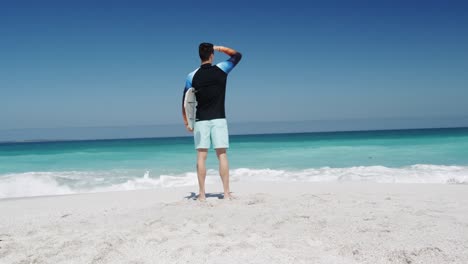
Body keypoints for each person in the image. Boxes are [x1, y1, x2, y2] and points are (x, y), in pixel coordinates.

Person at [182, 43, 242, 201]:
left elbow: (185, 102)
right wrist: (220, 48)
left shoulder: (192, 76)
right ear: (211, 55)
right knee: (221, 155)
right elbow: (237, 56)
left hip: (201, 120)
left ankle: (202, 194)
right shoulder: (221, 69)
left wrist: (187, 122)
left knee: (201, 156)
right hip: (219, 118)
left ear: (199, 55)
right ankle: (226, 193)